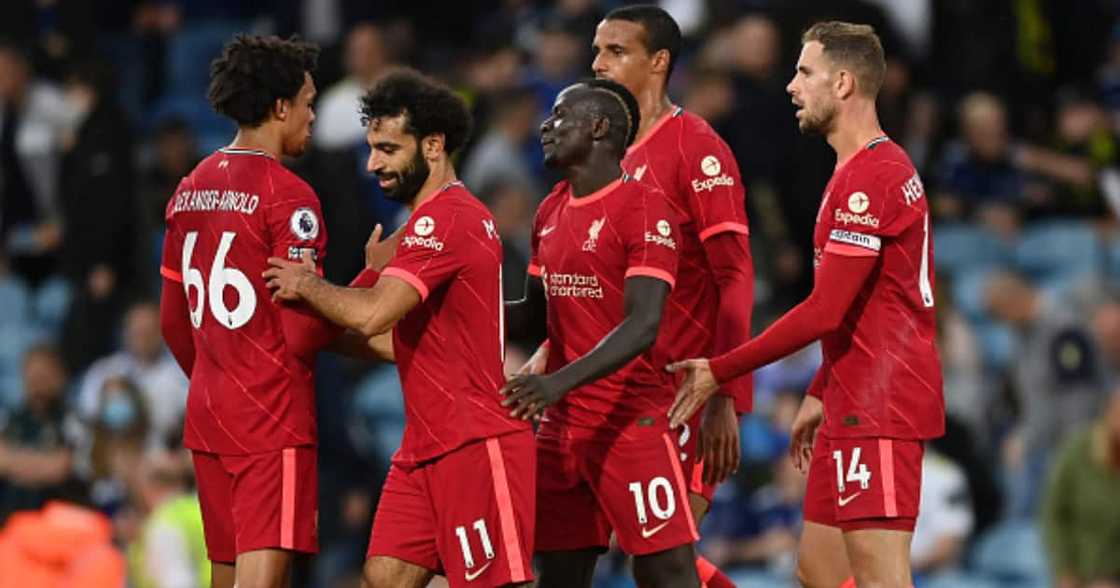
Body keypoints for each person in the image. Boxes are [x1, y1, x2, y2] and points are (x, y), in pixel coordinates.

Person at [667, 21, 944, 588]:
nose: (792, 86)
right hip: (851, 393)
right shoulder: (855, 170)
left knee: (882, 580)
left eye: (804, 72)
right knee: (817, 573)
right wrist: (821, 389)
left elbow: (825, 310)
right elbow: (870, 303)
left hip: (881, 403)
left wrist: (720, 370)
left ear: (842, 83)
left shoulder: (872, 177)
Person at [263, 68, 535, 588]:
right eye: (371, 149)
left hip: (474, 443)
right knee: (384, 577)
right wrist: (313, 327)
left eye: (388, 149)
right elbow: (393, 343)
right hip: (425, 445)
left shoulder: (446, 218)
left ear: (432, 146)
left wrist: (307, 285)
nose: (373, 164)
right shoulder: (418, 232)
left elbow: (372, 315)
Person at [568, 6, 756, 585]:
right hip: (606, 392)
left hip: (680, 393)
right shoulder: (598, 152)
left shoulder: (696, 149)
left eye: (615, 51)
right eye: (597, 50)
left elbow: (735, 276)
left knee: (663, 561)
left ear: (659, 62)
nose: (598, 64)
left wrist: (726, 393)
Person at [502, 78, 698, 587]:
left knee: (667, 572)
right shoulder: (549, 209)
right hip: (561, 428)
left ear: (597, 127)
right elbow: (533, 315)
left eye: (559, 116)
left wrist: (556, 383)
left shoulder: (645, 207)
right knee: (559, 575)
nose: (546, 126)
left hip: (630, 421)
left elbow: (644, 323)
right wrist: (445, 312)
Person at [158, 34, 337, 588]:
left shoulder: (190, 187)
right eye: (308, 102)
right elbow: (301, 331)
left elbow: (172, 322)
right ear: (280, 107)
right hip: (271, 415)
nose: (312, 115)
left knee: (226, 572)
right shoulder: (289, 196)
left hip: (210, 411)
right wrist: (364, 297)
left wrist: (222, 373)